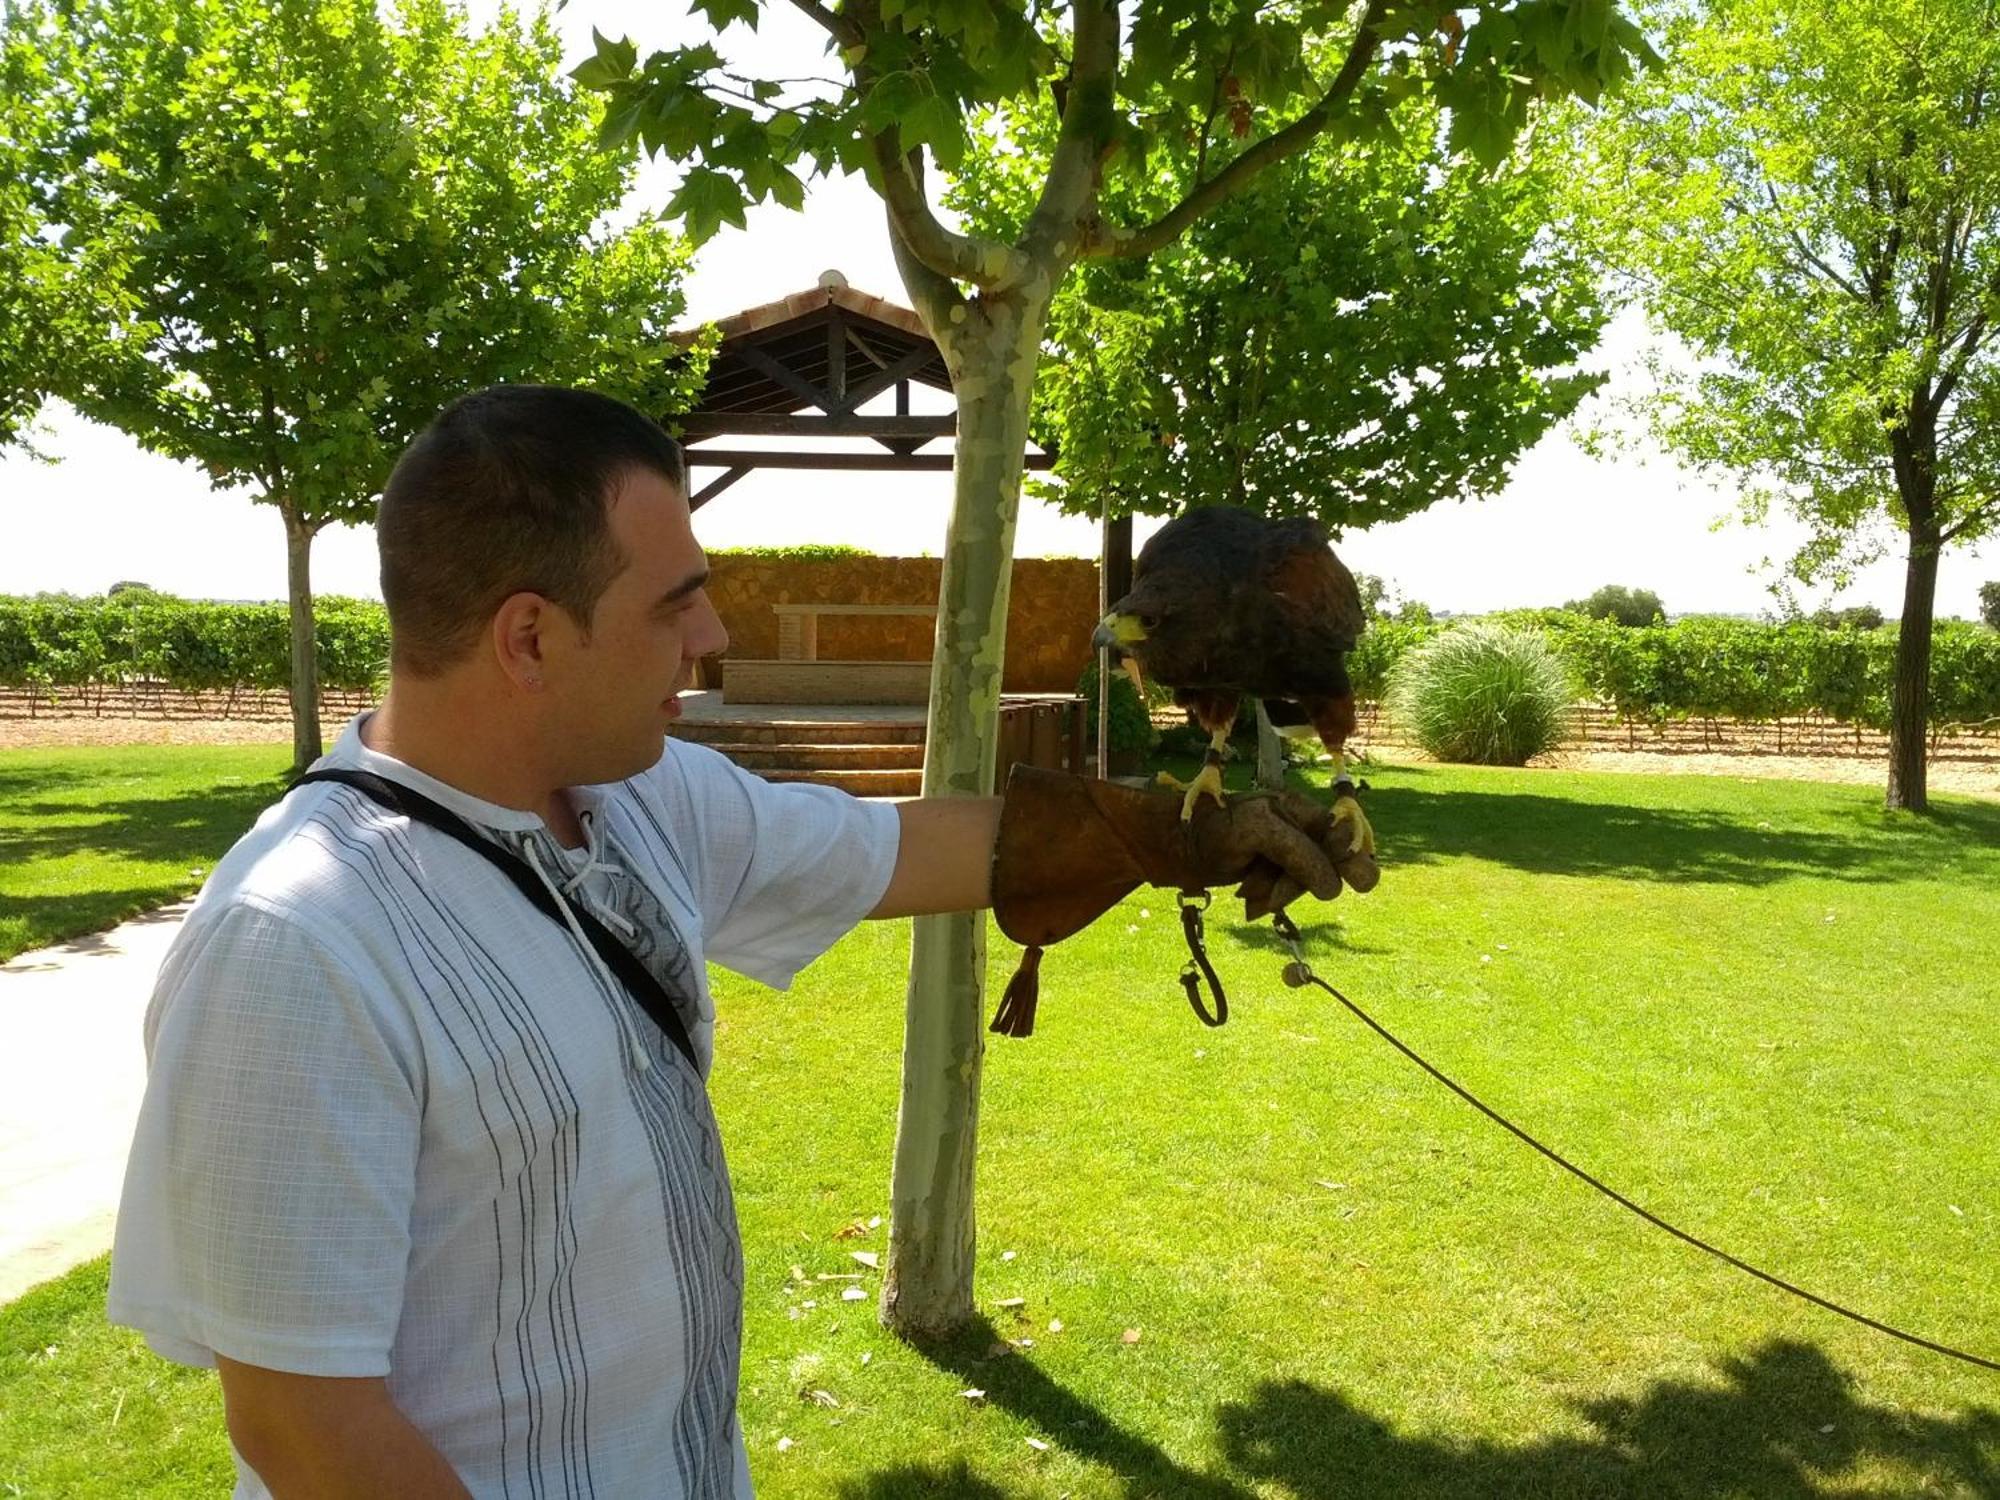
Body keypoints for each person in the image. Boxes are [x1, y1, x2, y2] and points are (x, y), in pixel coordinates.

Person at [106, 385, 1372, 1498]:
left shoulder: (638, 796)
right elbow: (305, 1427)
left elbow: (908, 849)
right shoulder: (300, 944)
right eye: (676, 607)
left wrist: (1183, 837)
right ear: (530, 637)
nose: (713, 640)